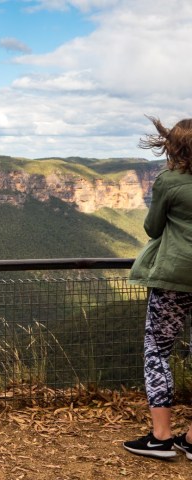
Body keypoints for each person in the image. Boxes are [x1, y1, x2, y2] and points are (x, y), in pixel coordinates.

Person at [123, 115, 192, 460]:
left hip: (175, 278)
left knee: (158, 350)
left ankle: (162, 437)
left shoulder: (168, 181)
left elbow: (152, 228)